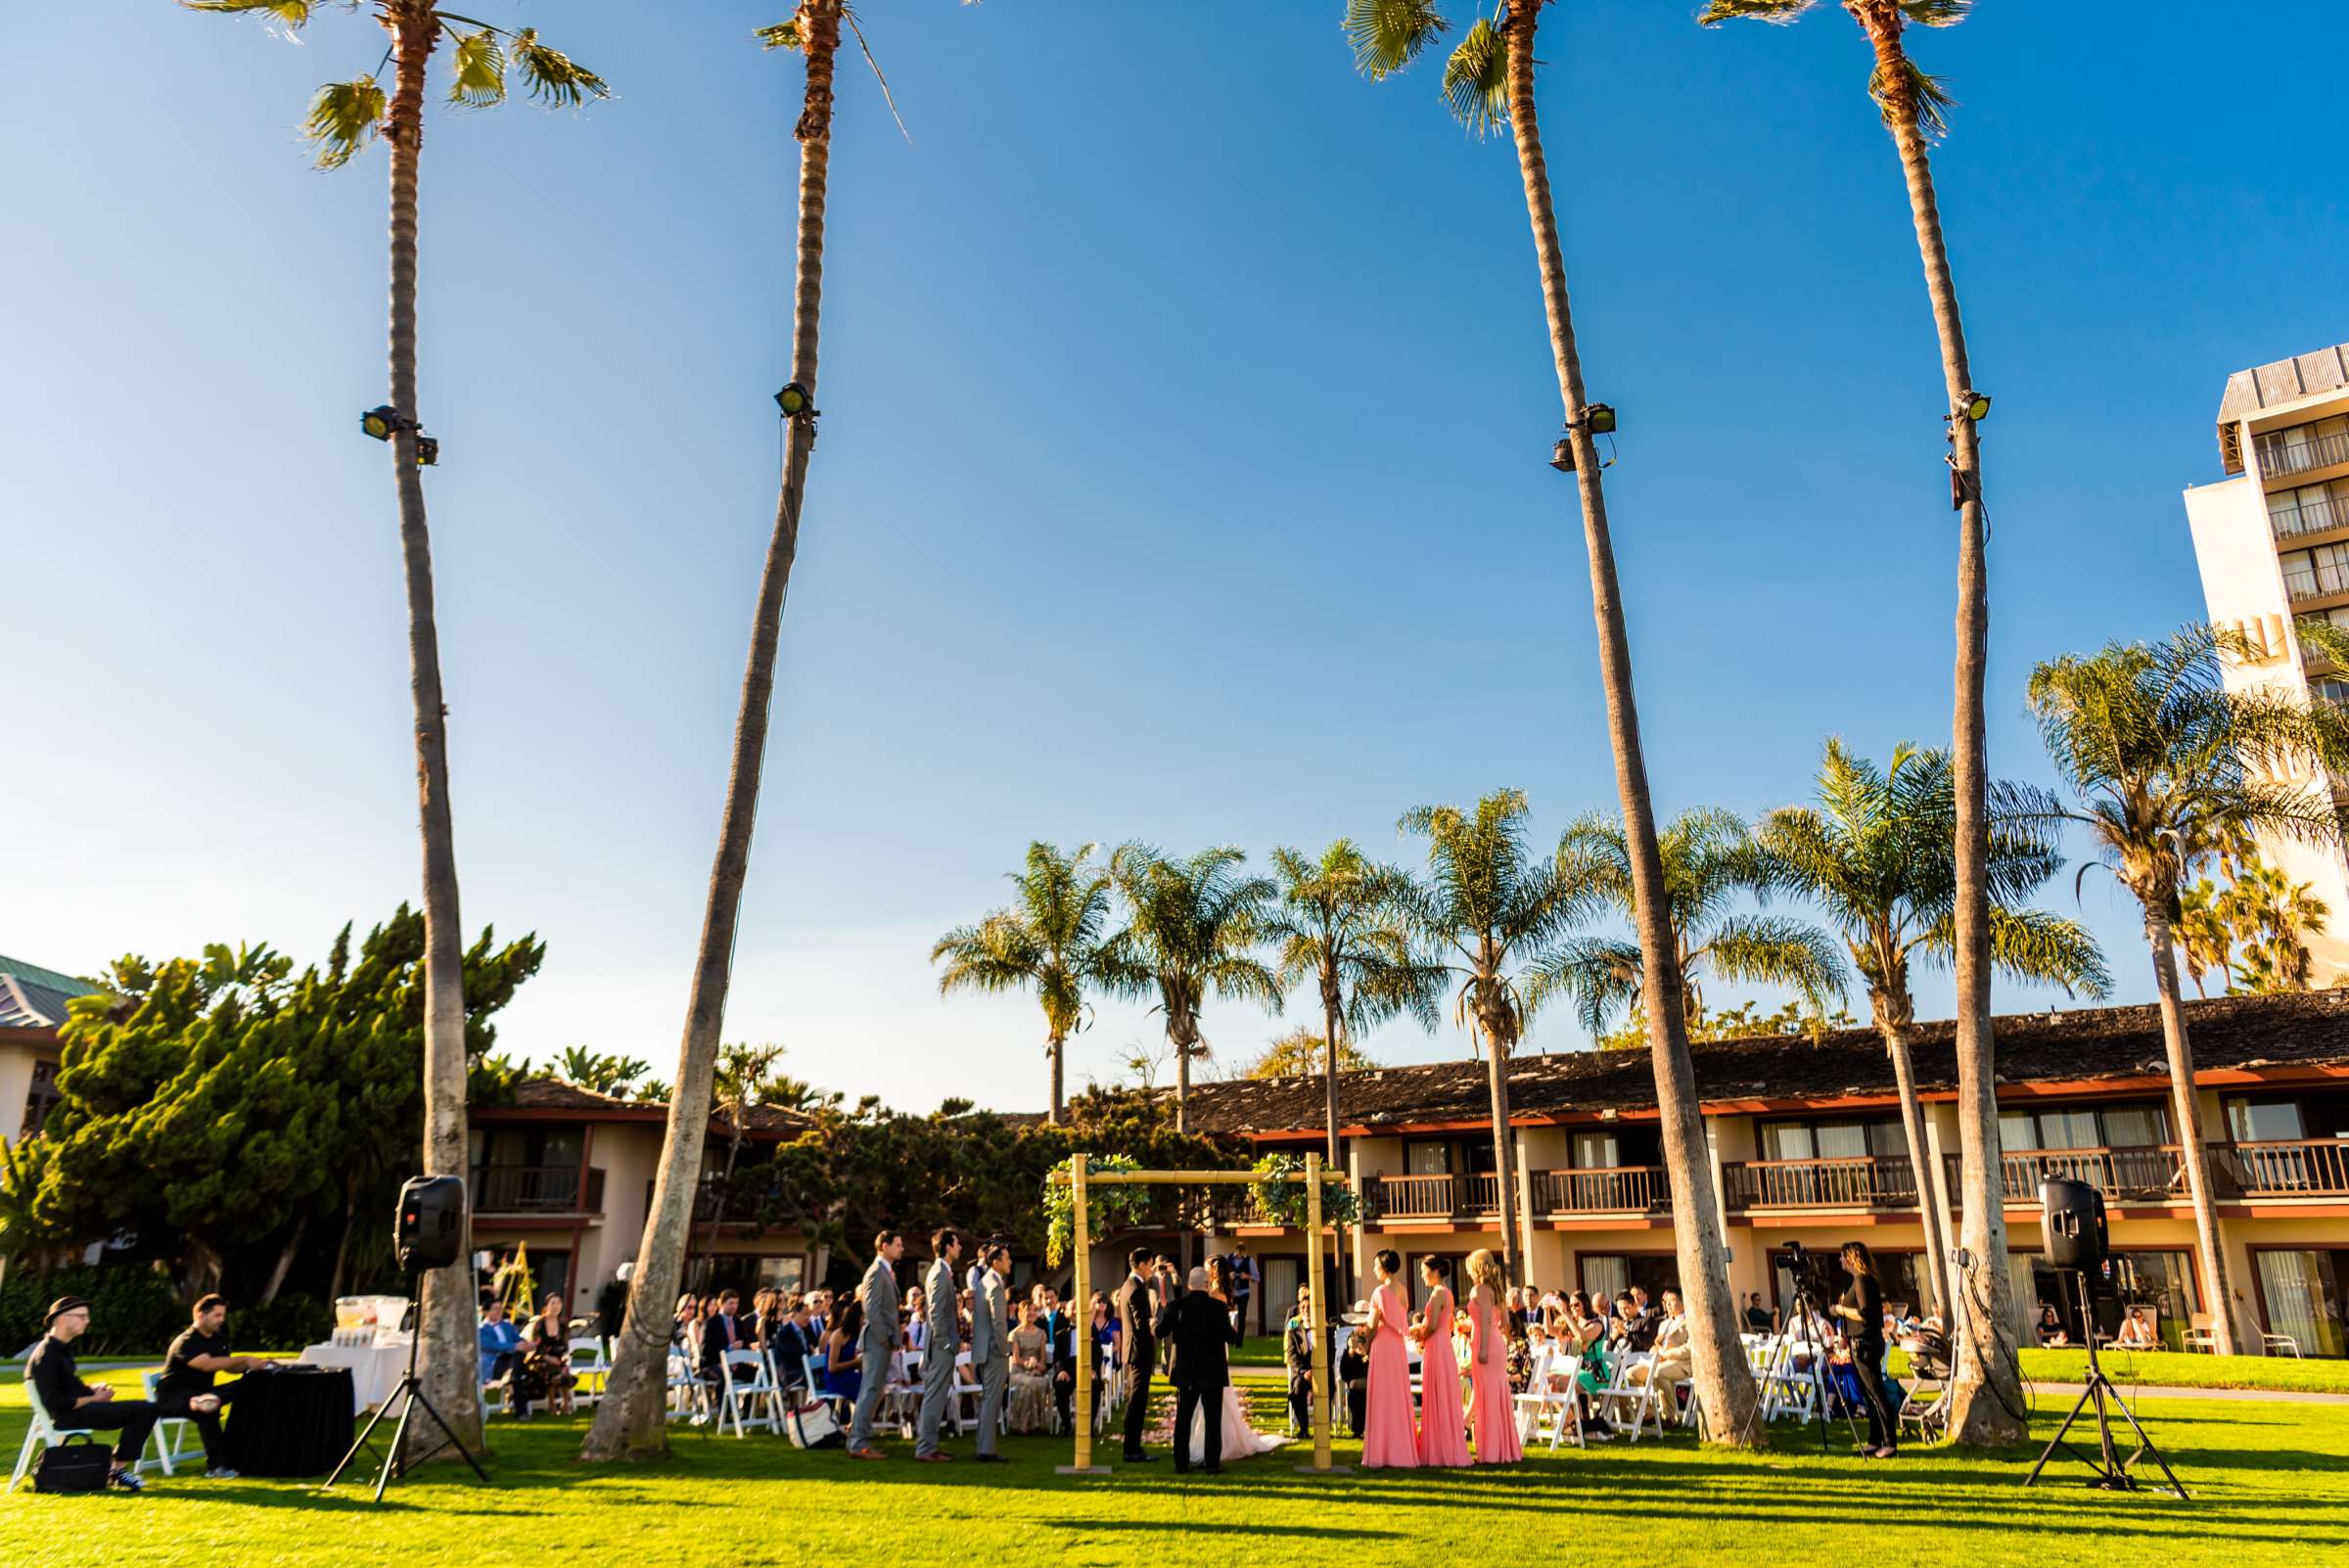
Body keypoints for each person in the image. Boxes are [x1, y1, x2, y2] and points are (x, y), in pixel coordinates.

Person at [27, 1296, 164, 1492]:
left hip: (77, 1410)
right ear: (63, 1318)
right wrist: (94, 1398)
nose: (87, 1321)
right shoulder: (47, 1355)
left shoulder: (59, 1349)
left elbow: (66, 1386)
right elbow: (55, 1402)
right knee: (146, 1410)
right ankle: (118, 1470)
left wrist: (92, 1389)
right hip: (68, 1417)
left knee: (145, 1409)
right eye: (82, 1316)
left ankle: (117, 1469)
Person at [157, 1293, 260, 1479]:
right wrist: (244, 1359)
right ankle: (216, 1468)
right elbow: (207, 1364)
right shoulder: (186, 1341)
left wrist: (254, 1366)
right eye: (217, 1315)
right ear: (200, 1315)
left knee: (251, 1383)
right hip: (174, 1399)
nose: (221, 1320)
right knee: (208, 1406)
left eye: (222, 1315)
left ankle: (248, 1455)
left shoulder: (217, 1339)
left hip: (202, 1393)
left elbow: (229, 1366)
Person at [1158, 1262, 1243, 1474]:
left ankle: (1181, 1463)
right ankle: (1212, 1464)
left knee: (1184, 1418)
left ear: (1188, 1285)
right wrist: (1235, 1327)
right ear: (1207, 1284)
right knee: (1213, 1419)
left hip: (1186, 1371)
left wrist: (1155, 1325)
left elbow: (1160, 1332)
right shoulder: (1218, 1308)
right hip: (1212, 1370)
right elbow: (1231, 1338)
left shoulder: (1177, 1307)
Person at [1830, 1241, 1898, 1458]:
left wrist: (1840, 1309)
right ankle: (1874, 1440)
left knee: (1876, 1392)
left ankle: (1890, 1442)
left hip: (1866, 1343)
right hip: (1862, 1342)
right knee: (1869, 1395)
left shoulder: (1861, 1280)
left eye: (1842, 1256)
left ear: (1850, 1258)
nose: (1839, 1260)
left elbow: (1865, 1314)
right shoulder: (1860, 1281)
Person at [1460, 1249, 1522, 1463]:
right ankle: (1501, 1447)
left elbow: (1486, 1319)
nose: (1468, 1273)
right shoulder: (1497, 1290)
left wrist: (1483, 1347)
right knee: (1494, 1393)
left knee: (1487, 1394)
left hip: (1486, 1342)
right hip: (1497, 1341)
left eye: (1469, 1269)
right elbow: (1503, 1322)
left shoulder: (1478, 1290)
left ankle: (1491, 1451)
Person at [848, 1230, 905, 1459]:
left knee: (874, 1389)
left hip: (883, 1340)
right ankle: (859, 1444)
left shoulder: (885, 1272)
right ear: (884, 1246)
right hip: (877, 1340)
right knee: (871, 1389)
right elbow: (871, 1309)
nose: (901, 1249)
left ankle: (860, 1440)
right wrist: (884, 1338)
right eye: (898, 1244)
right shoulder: (875, 1272)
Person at [1361, 1250, 1420, 1469]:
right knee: (1397, 1394)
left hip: (1383, 1345)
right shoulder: (1403, 1290)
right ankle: (1400, 1449)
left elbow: (1371, 1325)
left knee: (1382, 1396)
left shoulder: (1380, 1291)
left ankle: (1382, 1451)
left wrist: (1366, 1345)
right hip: (1397, 1347)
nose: (1374, 1269)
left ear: (1384, 1266)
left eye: (1376, 1265)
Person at [1412, 1257, 1470, 1466]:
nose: (1421, 1275)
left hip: (1437, 1347)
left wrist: (1418, 1335)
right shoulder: (1448, 1294)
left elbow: (1432, 1326)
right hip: (1443, 1346)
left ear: (1435, 1271)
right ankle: (1444, 1444)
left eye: (1423, 1270)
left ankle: (1438, 1449)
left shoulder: (1437, 1294)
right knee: (1442, 1395)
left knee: (1437, 1394)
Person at [913, 1227, 962, 1462]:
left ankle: (930, 1446)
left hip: (942, 1346)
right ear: (948, 1246)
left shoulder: (943, 1272)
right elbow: (936, 1313)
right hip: (941, 1347)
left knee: (938, 1396)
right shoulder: (940, 1274)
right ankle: (925, 1448)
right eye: (957, 1243)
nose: (960, 1247)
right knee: (934, 1397)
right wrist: (947, 1344)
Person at [1114, 1247, 1162, 1463]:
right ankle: (1132, 1449)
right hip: (1138, 1352)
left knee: (1136, 1400)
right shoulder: (1136, 1288)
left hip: (1133, 1350)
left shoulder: (1128, 1285)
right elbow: (1141, 1324)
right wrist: (1154, 1324)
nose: (1152, 1269)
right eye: (1150, 1264)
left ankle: (1133, 1447)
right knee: (1137, 1401)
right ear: (1142, 1264)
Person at [970, 1242, 1013, 1462]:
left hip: (984, 1349)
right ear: (996, 1261)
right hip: (994, 1351)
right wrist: (1006, 1349)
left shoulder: (983, 1282)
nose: (1010, 1261)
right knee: (992, 1399)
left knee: (989, 1398)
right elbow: (998, 1323)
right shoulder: (994, 1285)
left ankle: (984, 1445)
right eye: (1007, 1258)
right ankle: (986, 1449)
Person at [1627, 1287, 1693, 1419]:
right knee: (1630, 1374)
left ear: (1683, 1302)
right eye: (1666, 1301)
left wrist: (1666, 1355)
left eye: (1672, 1301)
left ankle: (1669, 1416)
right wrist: (1653, 1354)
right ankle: (1649, 1412)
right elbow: (1656, 1346)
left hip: (1682, 1364)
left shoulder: (1691, 1322)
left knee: (1659, 1373)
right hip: (1659, 1361)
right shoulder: (1664, 1324)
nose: (1667, 1304)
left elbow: (1689, 1349)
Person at [523, 1294, 579, 1414]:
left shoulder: (563, 1324)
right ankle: (552, 1405)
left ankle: (565, 1404)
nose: (556, 1306)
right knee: (552, 1369)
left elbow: (564, 1344)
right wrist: (548, 1357)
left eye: (558, 1303)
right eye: (553, 1303)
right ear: (546, 1306)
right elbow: (536, 1345)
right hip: (540, 1358)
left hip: (558, 1358)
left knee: (563, 1368)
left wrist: (564, 1356)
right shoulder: (539, 1324)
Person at [479, 1299, 531, 1418]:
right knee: (519, 1369)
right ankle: (522, 1413)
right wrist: (514, 1346)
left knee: (517, 1364)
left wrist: (527, 1345)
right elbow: (492, 1346)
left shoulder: (507, 1325)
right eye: (495, 1309)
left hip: (511, 1362)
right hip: (495, 1364)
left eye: (500, 1309)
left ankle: (512, 1374)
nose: (499, 1311)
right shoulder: (481, 1329)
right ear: (486, 1312)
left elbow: (518, 1340)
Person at [1008, 1299, 1053, 1435]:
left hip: (1036, 1371)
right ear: (1021, 1313)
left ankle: (1038, 1424)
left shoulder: (1041, 1333)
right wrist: (1028, 1364)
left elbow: (1043, 1359)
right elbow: (1016, 1359)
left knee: (1039, 1382)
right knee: (1029, 1383)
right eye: (1028, 1310)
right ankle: (1022, 1425)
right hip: (1018, 1371)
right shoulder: (1014, 1334)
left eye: (1034, 1310)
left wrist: (1037, 1367)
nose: (1032, 1313)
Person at [1282, 1285, 1315, 1437]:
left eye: (1309, 1306)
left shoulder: (1322, 1325)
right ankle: (1303, 1429)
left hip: (1318, 1369)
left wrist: (1316, 1370)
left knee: (1328, 1386)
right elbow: (1291, 1353)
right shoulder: (1293, 1325)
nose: (1306, 1310)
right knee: (1297, 1388)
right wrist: (1303, 1372)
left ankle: (1324, 1428)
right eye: (1303, 1307)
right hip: (1302, 1370)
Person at [771, 1294, 816, 1394]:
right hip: (790, 1373)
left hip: (804, 1368)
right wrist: (810, 1354)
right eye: (805, 1314)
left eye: (809, 1315)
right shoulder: (785, 1332)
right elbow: (796, 1355)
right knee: (816, 1374)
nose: (808, 1318)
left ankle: (809, 1406)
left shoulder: (805, 1330)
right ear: (795, 1314)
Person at [1338, 1324, 1371, 1439]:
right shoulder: (1349, 1354)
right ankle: (1358, 1430)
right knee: (1355, 1397)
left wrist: (1366, 1352)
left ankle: (1366, 1430)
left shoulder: (1372, 1349)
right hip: (1357, 1389)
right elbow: (1344, 1373)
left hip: (1372, 1383)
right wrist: (1351, 1352)